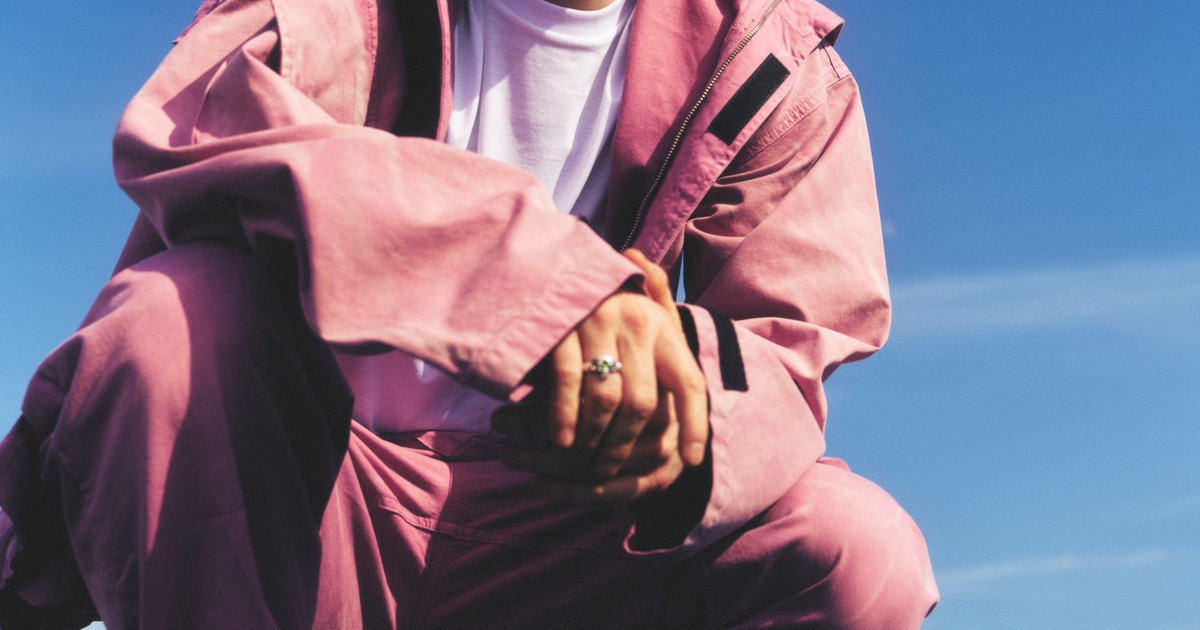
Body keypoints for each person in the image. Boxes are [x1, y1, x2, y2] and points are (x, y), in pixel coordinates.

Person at [0, 0, 939, 626]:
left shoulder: (774, 59)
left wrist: (665, 402)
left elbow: (787, 350)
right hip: (303, 495)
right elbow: (197, 128)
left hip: (568, 532)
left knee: (854, 548)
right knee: (175, 319)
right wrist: (557, 290)